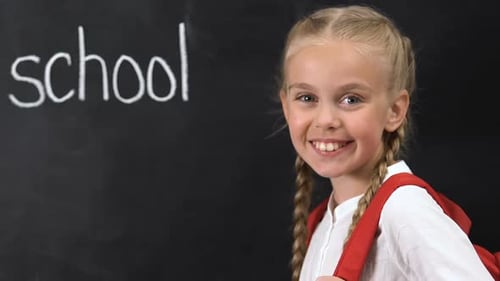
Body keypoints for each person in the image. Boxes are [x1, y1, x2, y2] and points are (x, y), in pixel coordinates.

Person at [277, 4, 494, 281]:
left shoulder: (405, 210)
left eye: (351, 99)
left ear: (394, 111)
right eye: (307, 98)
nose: (326, 119)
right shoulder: (325, 219)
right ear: (286, 107)